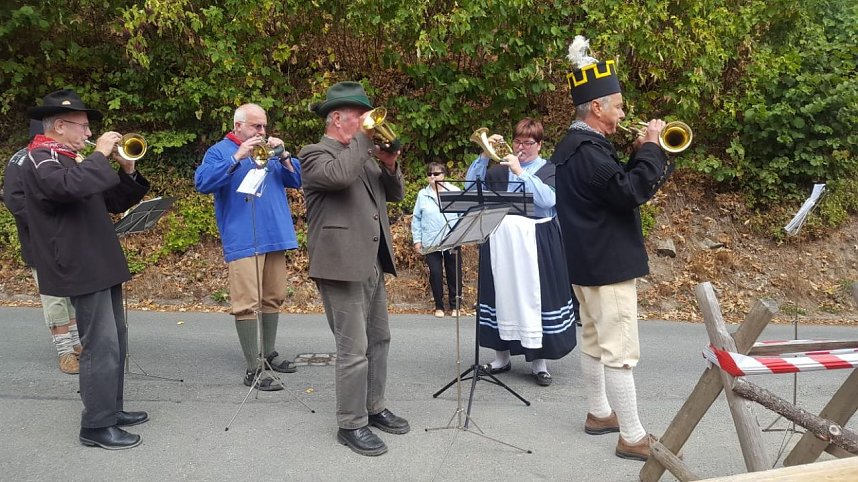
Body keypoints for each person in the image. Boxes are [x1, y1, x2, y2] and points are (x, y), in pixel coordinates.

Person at [551, 36, 674, 461]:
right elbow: (629, 192)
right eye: (618, 105)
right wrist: (653, 149)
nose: (623, 113)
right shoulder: (589, 150)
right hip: (608, 265)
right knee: (619, 350)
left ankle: (600, 413)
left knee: (593, 339)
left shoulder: (574, 145)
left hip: (586, 262)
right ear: (597, 108)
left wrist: (640, 152)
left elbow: (608, 187)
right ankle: (633, 435)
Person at [21, 89, 151, 449]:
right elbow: (67, 189)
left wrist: (127, 169)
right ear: (60, 126)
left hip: (100, 259)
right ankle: (95, 425)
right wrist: (99, 154)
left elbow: (113, 201)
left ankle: (111, 408)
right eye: (83, 126)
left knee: (117, 340)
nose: (89, 133)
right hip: (79, 262)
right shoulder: (40, 158)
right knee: (100, 344)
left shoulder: (72, 158)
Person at [298, 81, 409, 457]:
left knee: (379, 340)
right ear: (337, 118)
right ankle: (351, 422)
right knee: (353, 348)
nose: (368, 122)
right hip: (341, 264)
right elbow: (339, 177)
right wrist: (365, 141)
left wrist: (390, 164)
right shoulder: (314, 154)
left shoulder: (360, 155)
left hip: (373, 261)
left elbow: (393, 194)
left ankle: (373, 407)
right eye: (361, 116)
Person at [195, 103, 302, 391]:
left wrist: (286, 155)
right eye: (257, 127)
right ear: (238, 126)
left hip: (276, 234)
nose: (263, 132)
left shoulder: (270, 150)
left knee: (274, 297)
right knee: (246, 303)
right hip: (244, 238)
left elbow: (297, 180)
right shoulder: (219, 151)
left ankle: (268, 355)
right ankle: (253, 369)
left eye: (265, 126)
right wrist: (237, 156)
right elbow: (202, 182)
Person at [465, 118, 577, 387]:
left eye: (528, 142)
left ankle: (539, 363)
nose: (522, 147)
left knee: (534, 300)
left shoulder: (549, 169)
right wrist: (483, 154)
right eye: (518, 141)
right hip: (501, 241)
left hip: (535, 243)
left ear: (539, 145)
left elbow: (548, 201)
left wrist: (520, 172)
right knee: (499, 295)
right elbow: (471, 189)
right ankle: (501, 358)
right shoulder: (499, 170)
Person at [2, 119, 82, 375]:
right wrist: (49, 225)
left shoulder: (59, 156)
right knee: (54, 298)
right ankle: (64, 352)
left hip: (66, 238)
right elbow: (15, 200)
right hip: (40, 240)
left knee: (70, 294)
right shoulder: (22, 159)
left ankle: (76, 343)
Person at [410, 162, 463, 318]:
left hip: (452, 239)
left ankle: (456, 306)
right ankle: (439, 306)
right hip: (431, 240)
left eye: (436, 174)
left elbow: (462, 215)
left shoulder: (454, 191)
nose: (432, 177)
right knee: (435, 273)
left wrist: (462, 235)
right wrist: (417, 240)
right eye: (429, 174)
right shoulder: (422, 194)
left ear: (444, 175)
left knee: (454, 272)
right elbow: (416, 219)